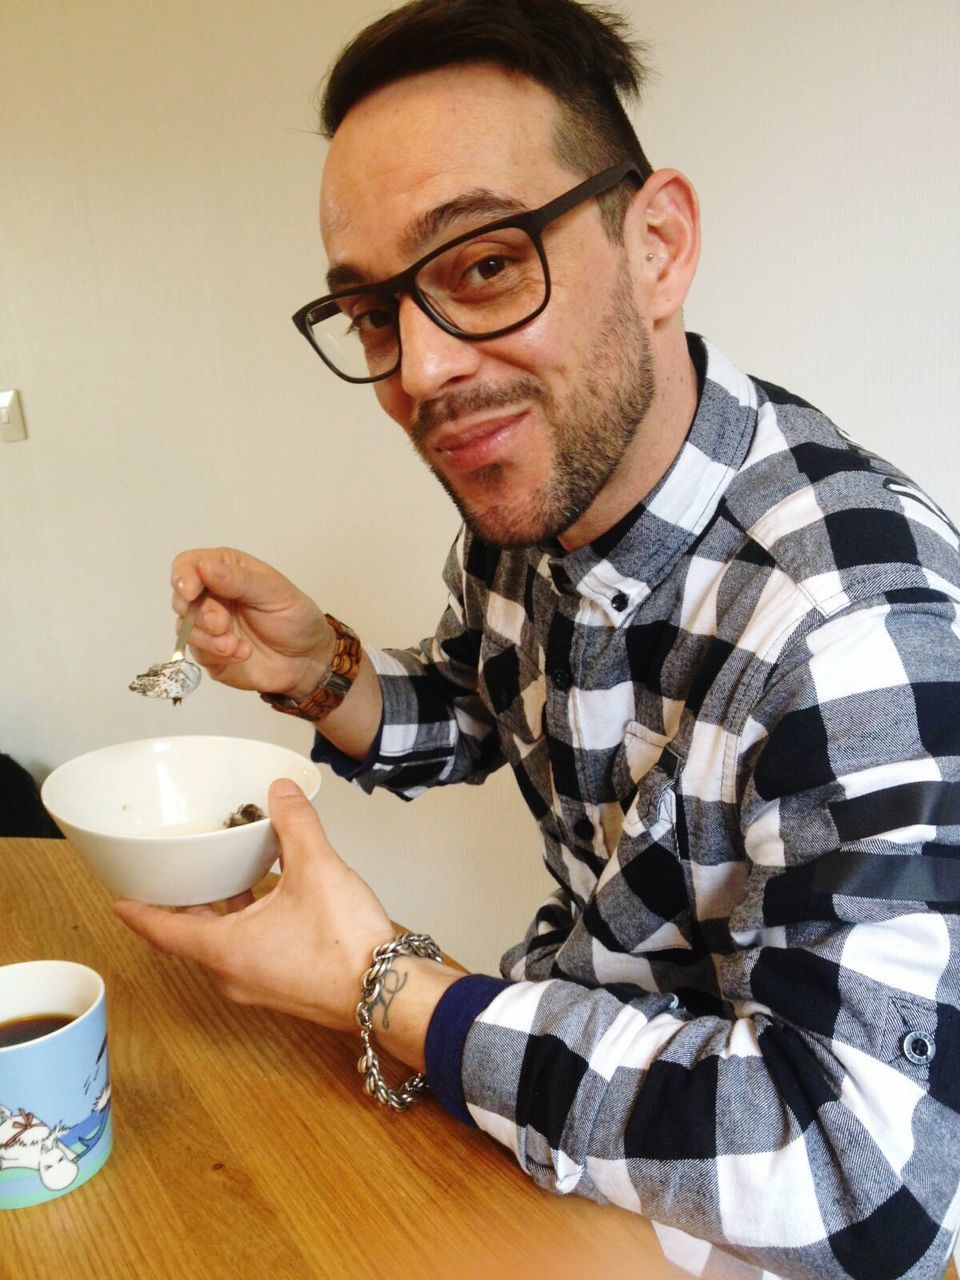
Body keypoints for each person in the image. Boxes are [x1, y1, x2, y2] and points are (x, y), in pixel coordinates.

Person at [114, 2, 960, 1276]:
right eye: (374, 313)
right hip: (552, 1065)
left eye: (486, 264)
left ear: (658, 244)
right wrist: (320, 672)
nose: (422, 371)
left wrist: (384, 984)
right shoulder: (532, 511)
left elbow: (874, 1174)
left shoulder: (856, 625)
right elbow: (490, 704)